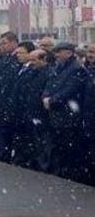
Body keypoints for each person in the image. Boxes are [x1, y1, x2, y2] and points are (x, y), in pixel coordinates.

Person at [41, 42, 91, 181]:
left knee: (68, 147)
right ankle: (60, 171)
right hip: (56, 115)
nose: (56, 55)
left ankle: (69, 174)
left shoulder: (76, 69)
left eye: (59, 52)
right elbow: (50, 84)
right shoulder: (59, 67)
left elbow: (70, 89)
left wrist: (52, 100)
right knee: (58, 146)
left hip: (68, 116)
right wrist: (46, 96)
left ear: (68, 53)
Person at [0, 32, 23, 162]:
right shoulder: (3, 61)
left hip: (7, 107)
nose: (2, 46)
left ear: (14, 43)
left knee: (6, 140)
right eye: (1, 44)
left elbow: (11, 87)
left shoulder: (17, 61)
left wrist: (5, 106)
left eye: (4, 43)